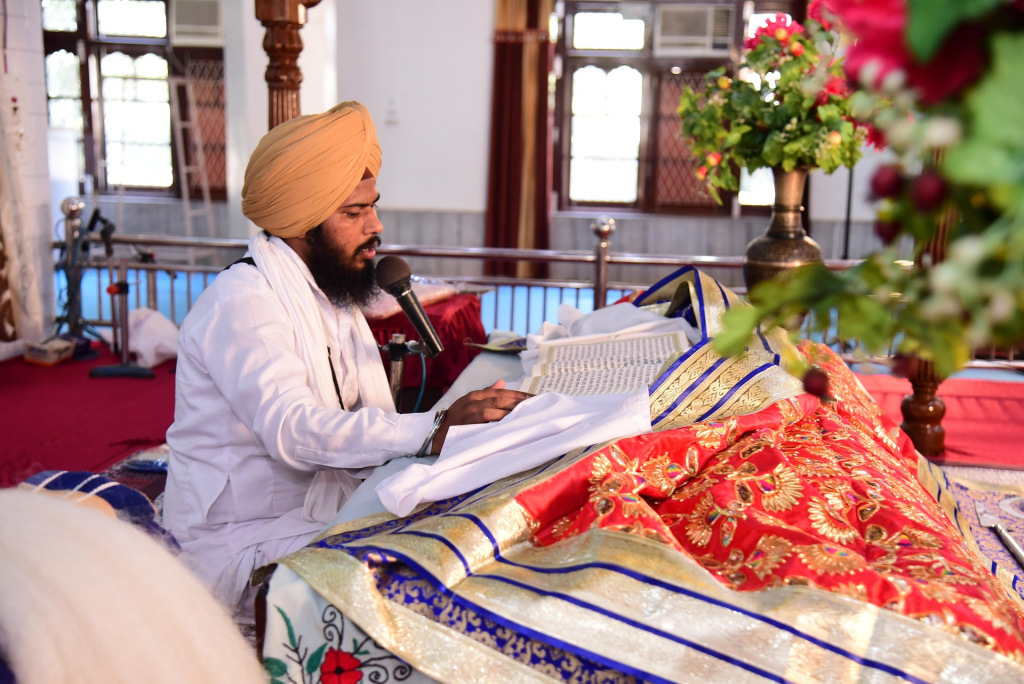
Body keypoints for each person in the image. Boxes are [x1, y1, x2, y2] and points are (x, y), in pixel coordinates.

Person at [163, 102, 530, 617]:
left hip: (310, 515)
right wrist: (431, 430)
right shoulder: (244, 302)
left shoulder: (328, 295)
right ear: (303, 225)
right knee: (425, 578)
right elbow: (294, 428)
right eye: (354, 213)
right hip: (242, 542)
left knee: (471, 525)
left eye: (372, 207)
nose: (375, 226)